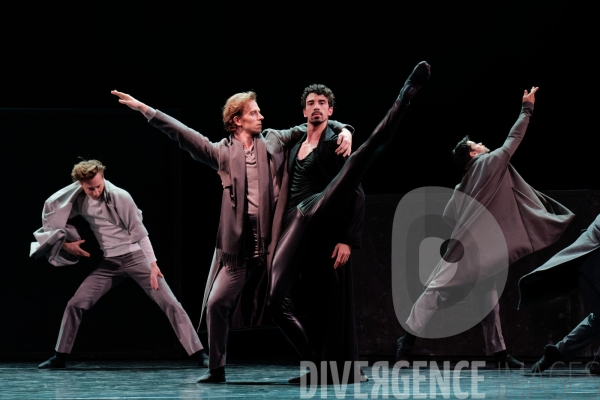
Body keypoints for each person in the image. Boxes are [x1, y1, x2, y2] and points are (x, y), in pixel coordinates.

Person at [112, 89, 353, 383]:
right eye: (254, 112)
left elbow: (317, 123)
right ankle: (217, 369)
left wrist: (346, 131)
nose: (261, 116)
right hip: (237, 252)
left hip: (273, 247)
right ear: (237, 120)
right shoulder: (222, 153)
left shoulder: (275, 140)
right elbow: (182, 133)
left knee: (283, 307)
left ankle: (317, 365)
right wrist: (144, 109)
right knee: (216, 304)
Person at [267, 61, 431, 384]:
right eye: (311, 103)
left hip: (319, 207)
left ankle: (404, 96)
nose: (316, 108)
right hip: (294, 223)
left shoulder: (335, 143)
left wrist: (348, 238)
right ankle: (315, 361)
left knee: (364, 155)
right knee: (277, 300)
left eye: (322, 104)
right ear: (304, 112)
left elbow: (356, 191)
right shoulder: (295, 145)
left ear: (330, 110)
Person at [398, 87, 575, 368]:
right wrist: (526, 108)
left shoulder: (461, 185)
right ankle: (406, 340)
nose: (482, 143)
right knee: (436, 289)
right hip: (468, 250)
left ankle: (499, 354)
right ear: (471, 154)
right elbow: (513, 139)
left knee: (488, 299)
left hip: (467, 248)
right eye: (477, 143)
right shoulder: (489, 163)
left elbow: (448, 216)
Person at [30, 159, 207, 369]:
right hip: (110, 263)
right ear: (80, 185)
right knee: (75, 304)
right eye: (90, 189)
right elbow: (54, 218)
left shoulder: (120, 196)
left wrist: (153, 265)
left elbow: (140, 232)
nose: (95, 192)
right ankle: (60, 356)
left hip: (137, 257)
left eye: (98, 186)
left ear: (103, 178)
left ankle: (200, 354)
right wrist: (66, 245)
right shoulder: (79, 200)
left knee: (169, 303)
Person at [522, 215, 600, 374]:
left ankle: (558, 353)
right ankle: (560, 353)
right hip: (592, 266)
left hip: (593, 267)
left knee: (598, 318)